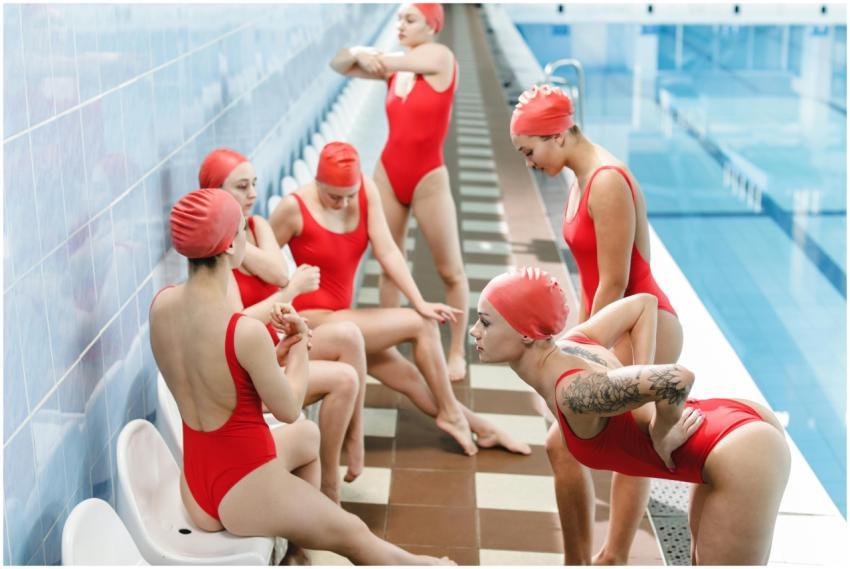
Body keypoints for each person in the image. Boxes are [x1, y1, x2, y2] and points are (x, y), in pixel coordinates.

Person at [150, 188, 452, 565]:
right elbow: (290, 406)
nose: (248, 236)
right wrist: (299, 343)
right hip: (243, 483)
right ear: (229, 247)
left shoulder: (161, 306)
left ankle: (298, 551)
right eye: (243, 229)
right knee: (356, 535)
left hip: (196, 485)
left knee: (309, 437)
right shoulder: (243, 331)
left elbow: (218, 386)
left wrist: (269, 359)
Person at [469, 268, 790, 565]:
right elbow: (642, 304)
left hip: (741, 454)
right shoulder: (574, 344)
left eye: (485, 322)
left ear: (526, 333)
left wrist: (662, 430)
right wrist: (643, 374)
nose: (475, 331)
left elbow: (676, 378)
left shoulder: (573, 393)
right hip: (729, 431)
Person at [510, 84, 685, 563]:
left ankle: (603, 559)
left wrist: (577, 349)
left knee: (563, 442)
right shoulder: (581, 176)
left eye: (530, 151)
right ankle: (601, 559)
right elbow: (597, 279)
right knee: (603, 442)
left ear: (558, 135)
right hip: (615, 323)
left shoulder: (607, 180)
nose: (529, 161)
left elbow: (616, 282)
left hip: (640, 323)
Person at [269, 142, 530, 457]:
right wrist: (277, 317)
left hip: (343, 318)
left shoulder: (365, 191)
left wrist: (418, 299)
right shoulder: (293, 208)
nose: (344, 203)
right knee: (421, 326)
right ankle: (451, 414)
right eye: (334, 196)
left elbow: (388, 249)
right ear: (317, 183)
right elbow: (261, 268)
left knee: (409, 376)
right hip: (314, 324)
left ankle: (480, 427)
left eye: (350, 195)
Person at [198, 148, 368, 503]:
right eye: (242, 187)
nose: (253, 195)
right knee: (345, 378)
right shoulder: (213, 259)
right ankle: (330, 486)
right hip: (248, 372)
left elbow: (277, 272)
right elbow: (239, 325)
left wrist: (237, 242)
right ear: (215, 193)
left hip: (272, 347)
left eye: (254, 184)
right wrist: (289, 292)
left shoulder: (257, 227)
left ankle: (353, 443)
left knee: (350, 337)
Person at [330, 3, 470, 382]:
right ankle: (386, 347)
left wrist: (372, 55)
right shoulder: (396, 71)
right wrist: (360, 53)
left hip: (428, 178)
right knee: (389, 267)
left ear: (432, 26)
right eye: (398, 19)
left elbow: (388, 61)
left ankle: (456, 351)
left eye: (410, 20)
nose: (400, 26)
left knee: (450, 270)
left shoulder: (440, 58)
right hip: (388, 174)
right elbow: (339, 65)